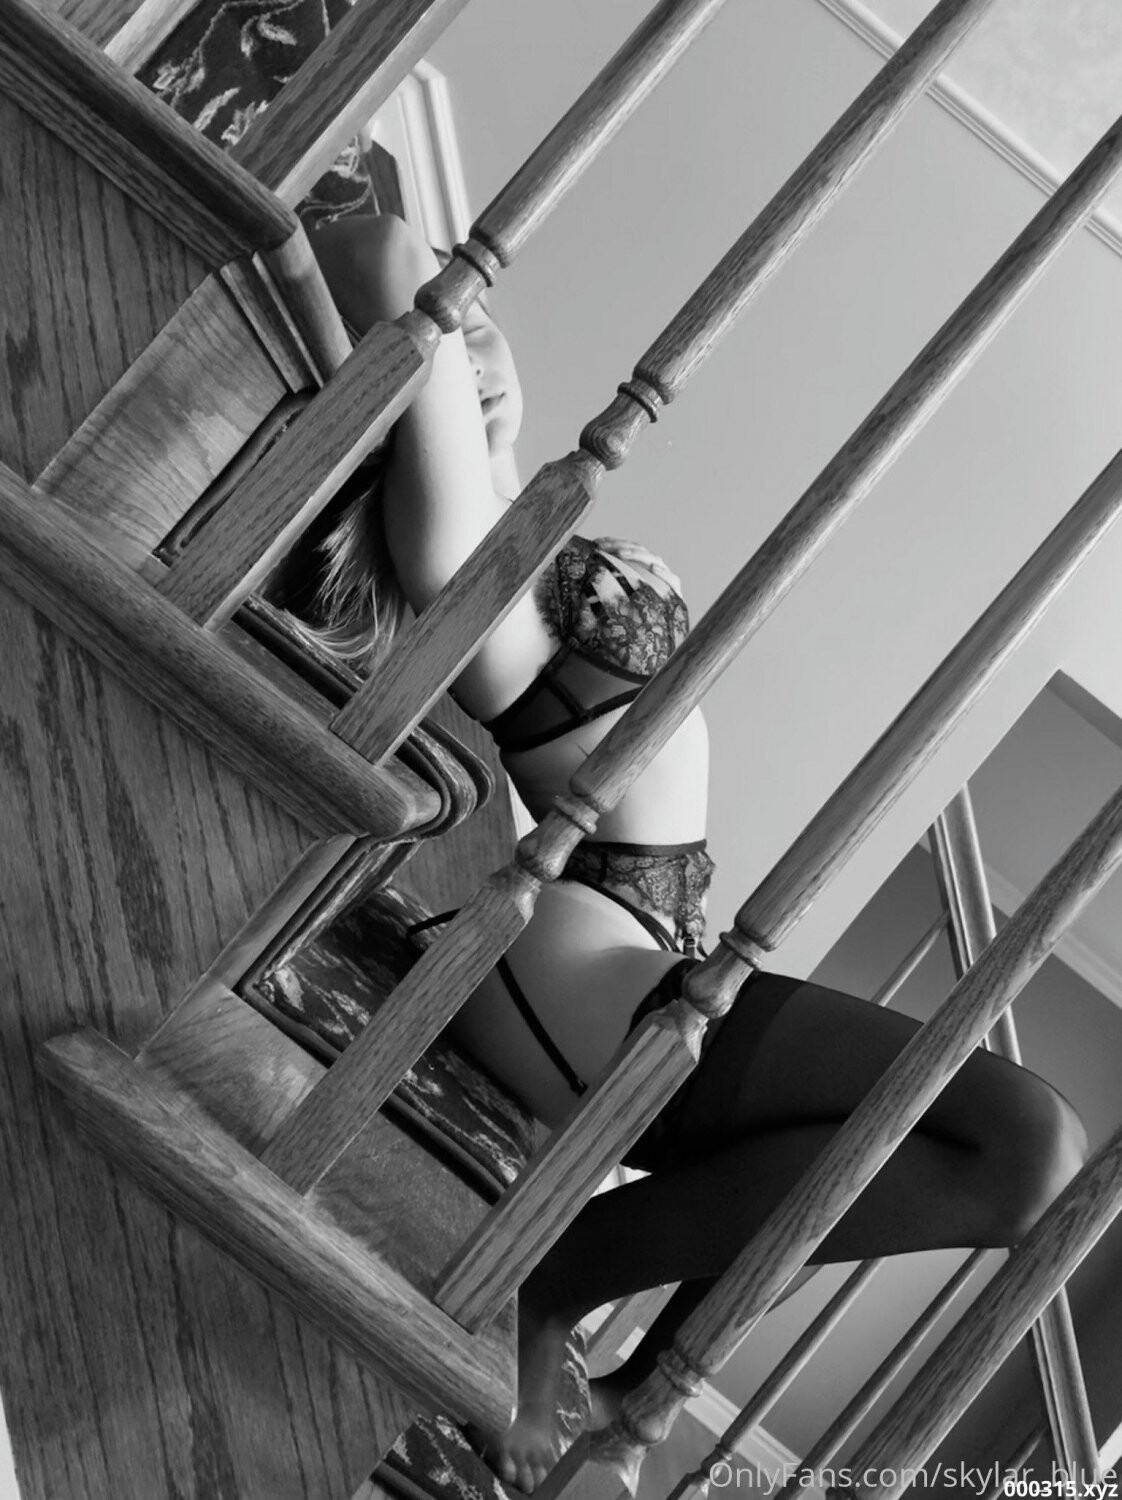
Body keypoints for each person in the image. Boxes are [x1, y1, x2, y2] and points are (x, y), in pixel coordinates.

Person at [298, 213, 1088, 1494]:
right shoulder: (465, 570)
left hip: (623, 958)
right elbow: (374, 250)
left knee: (977, 1155)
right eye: (456, 335)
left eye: (479, 324)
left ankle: (617, 1355)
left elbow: (412, 289)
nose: (481, 342)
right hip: (572, 974)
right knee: (1027, 1145)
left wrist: (480, 387)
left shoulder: (504, 513)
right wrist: (442, 303)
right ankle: (558, 1285)